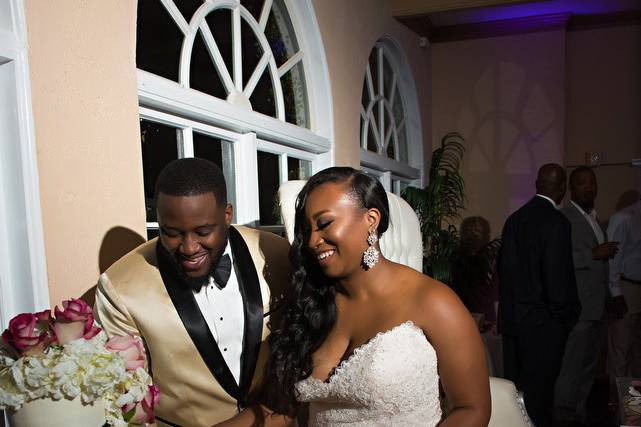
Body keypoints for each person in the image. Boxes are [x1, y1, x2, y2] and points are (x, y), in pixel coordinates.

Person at [216, 167, 491, 426]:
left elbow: (471, 409)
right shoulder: (311, 307)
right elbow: (276, 413)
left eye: (324, 224)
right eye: (307, 229)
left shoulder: (433, 301)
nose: (312, 241)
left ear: (371, 220)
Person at [94, 158, 291, 427]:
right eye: (171, 233)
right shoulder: (118, 288)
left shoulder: (278, 254)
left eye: (203, 231)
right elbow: (126, 403)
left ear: (227, 215)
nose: (188, 248)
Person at [498, 163, 580, 427]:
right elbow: (557, 278)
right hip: (544, 326)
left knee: (516, 397)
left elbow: (504, 271)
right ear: (562, 189)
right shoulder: (557, 223)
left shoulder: (514, 220)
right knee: (540, 399)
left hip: (513, 323)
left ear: (537, 185)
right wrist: (565, 318)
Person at [553, 166, 618, 424]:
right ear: (571, 187)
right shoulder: (564, 217)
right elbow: (558, 260)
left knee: (590, 365)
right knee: (572, 364)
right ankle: (563, 413)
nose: (588, 187)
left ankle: (578, 410)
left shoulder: (595, 217)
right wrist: (592, 254)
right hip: (579, 306)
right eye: (582, 183)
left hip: (598, 306)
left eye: (592, 183)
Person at [607, 193, 641, 380]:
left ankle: (636, 406)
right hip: (627, 287)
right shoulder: (623, 218)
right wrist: (616, 292)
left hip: (634, 287)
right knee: (621, 349)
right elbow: (612, 259)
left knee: (637, 351)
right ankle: (619, 405)